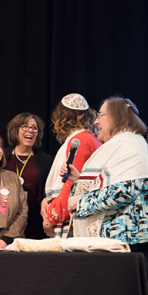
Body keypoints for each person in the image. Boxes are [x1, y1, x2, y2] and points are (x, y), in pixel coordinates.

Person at [65, 97, 148, 262]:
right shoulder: (125, 144)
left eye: (101, 115)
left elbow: (124, 192)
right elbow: (115, 183)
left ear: (117, 116)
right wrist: (79, 181)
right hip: (120, 240)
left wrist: (79, 202)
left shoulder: (130, 145)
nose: (96, 122)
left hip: (130, 239)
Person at [43, 94, 100, 238]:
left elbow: (73, 185)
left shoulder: (80, 139)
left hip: (71, 218)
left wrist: (52, 217)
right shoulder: (85, 137)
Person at [4, 113, 53, 239]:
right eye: (25, 126)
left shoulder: (45, 160)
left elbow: (48, 190)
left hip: (35, 222)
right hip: (7, 222)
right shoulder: (2, 156)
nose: (30, 130)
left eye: (34, 128)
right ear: (15, 130)